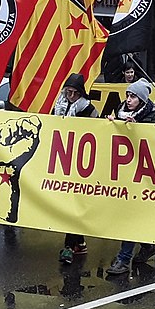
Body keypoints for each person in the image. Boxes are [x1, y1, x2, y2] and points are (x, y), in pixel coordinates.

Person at [105, 78, 155, 276]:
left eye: (133, 97)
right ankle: (147, 246)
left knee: (130, 215)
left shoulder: (153, 118)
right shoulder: (121, 113)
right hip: (124, 174)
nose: (129, 100)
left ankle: (123, 259)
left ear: (143, 100)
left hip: (144, 176)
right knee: (130, 214)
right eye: (128, 95)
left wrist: (139, 128)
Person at [55, 73, 99, 263]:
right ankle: (79, 242)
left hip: (81, 162)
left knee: (76, 204)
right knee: (69, 204)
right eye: (68, 92)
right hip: (62, 158)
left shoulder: (89, 109)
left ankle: (68, 246)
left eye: (74, 93)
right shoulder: (59, 106)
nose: (70, 96)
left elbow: (96, 132)